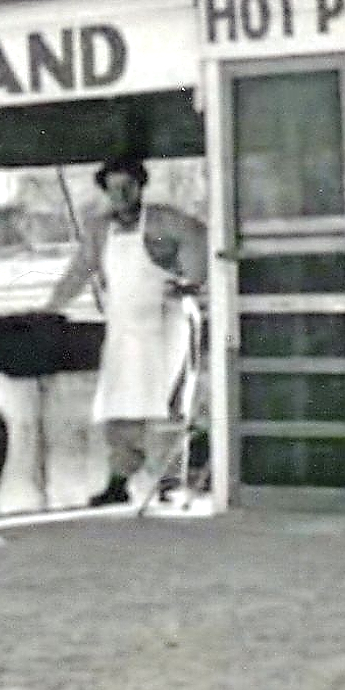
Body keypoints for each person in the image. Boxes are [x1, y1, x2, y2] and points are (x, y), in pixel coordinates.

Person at [43, 153, 207, 506]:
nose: (121, 195)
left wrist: (192, 282)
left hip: (166, 324)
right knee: (117, 405)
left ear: (141, 186)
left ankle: (168, 481)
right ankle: (120, 479)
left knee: (166, 405)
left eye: (128, 186)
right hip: (124, 329)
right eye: (113, 188)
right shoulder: (100, 230)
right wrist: (50, 308)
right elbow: (79, 271)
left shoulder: (164, 222)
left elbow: (201, 235)